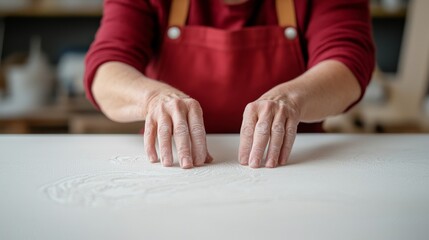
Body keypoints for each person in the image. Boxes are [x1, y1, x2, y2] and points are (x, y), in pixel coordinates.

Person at [84, 0, 375, 169]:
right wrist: (153, 99)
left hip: (292, 166)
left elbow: (348, 60)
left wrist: (292, 98)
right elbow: (106, 69)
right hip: (172, 166)